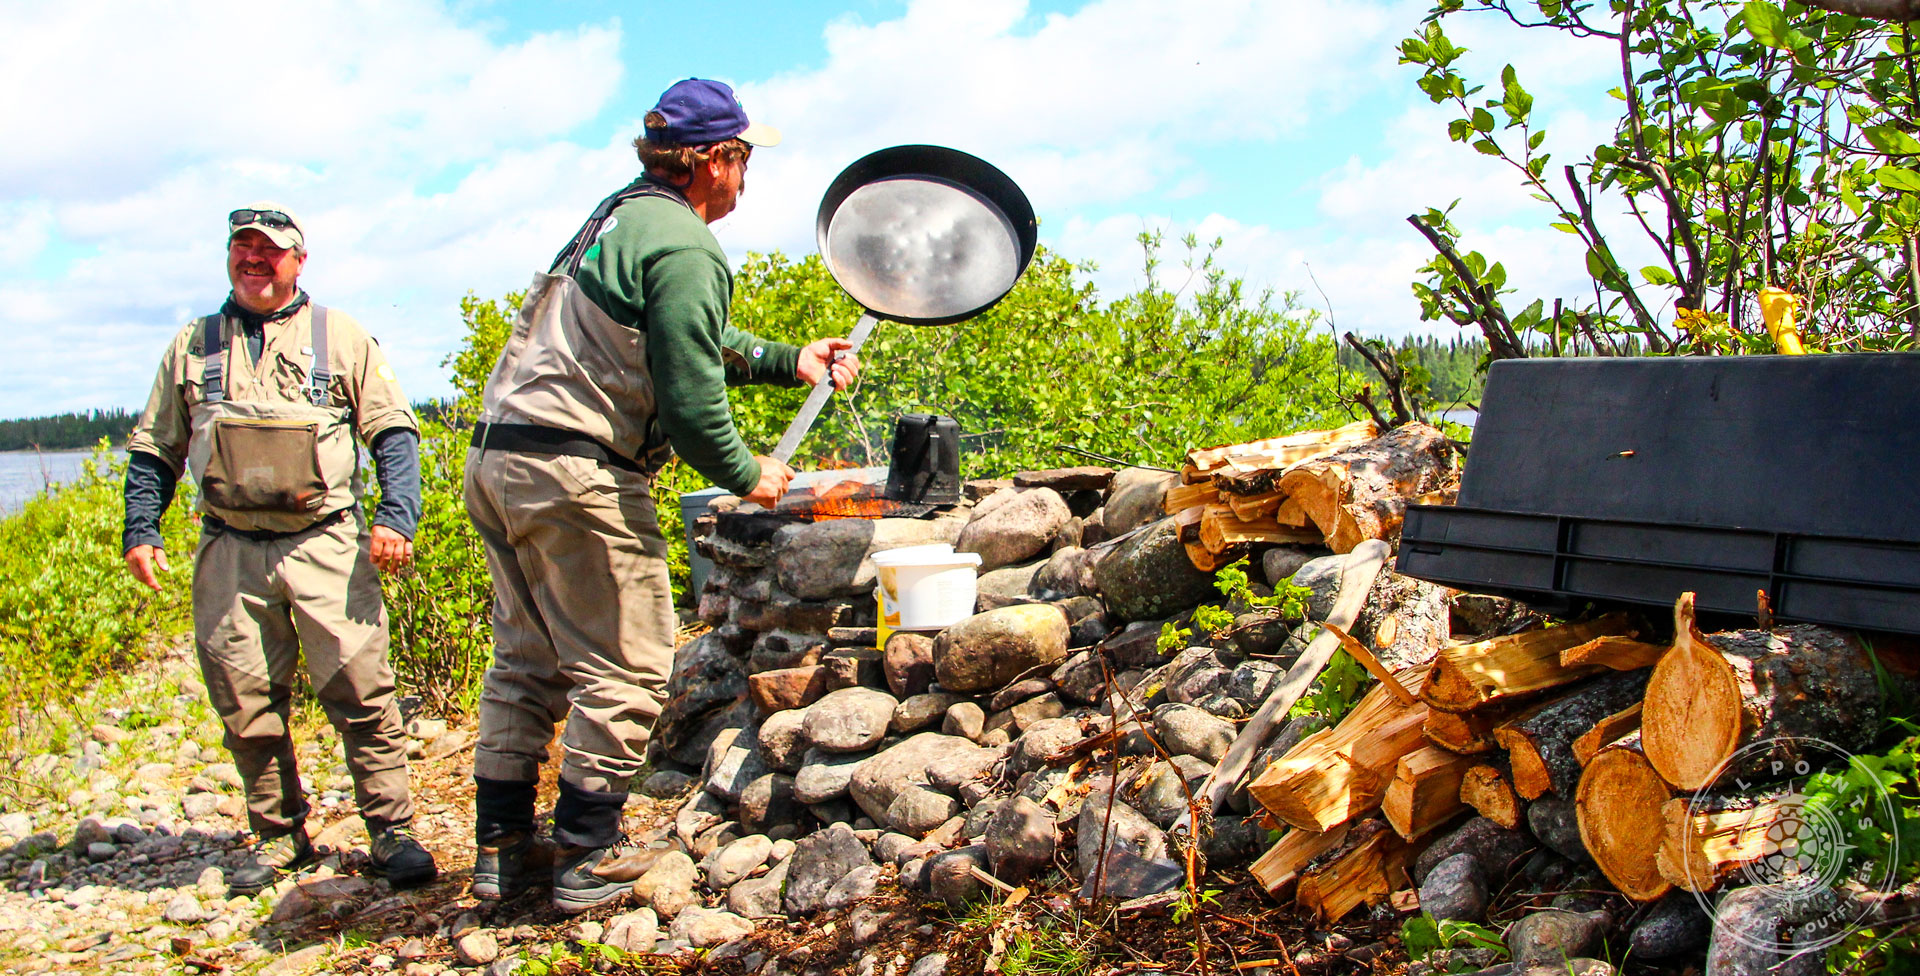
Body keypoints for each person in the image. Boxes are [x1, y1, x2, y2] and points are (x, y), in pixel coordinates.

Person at [463, 78, 859, 912]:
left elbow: (681, 339)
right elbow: (688, 404)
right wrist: (749, 473)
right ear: (714, 159)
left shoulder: (619, 215)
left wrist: (791, 358)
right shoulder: (685, 244)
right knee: (631, 665)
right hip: (577, 474)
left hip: (502, 460)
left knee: (528, 661)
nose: (747, 175)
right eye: (743, 157)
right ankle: (584, 856)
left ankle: (502, 850)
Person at [122, 204, 437, 895]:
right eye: (244, 249)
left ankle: (392, 831)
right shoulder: (192, 344)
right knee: (244, 699)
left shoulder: (341, 336)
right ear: (230, 256)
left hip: (325, 543)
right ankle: (279, 836)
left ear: (299, 259)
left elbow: (394, 433)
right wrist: (141, 529)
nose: (255, 260)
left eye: (271, 250)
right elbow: (155, 449)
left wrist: (396, 517)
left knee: (363, 691)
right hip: (230, 548)